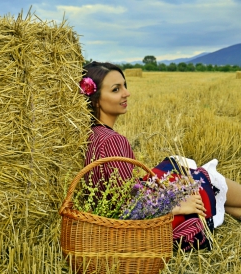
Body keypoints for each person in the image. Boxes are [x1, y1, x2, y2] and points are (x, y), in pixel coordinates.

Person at [80, 61, 241, 249]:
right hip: (142, 225)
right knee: (207, 179)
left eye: (125, 86)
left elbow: (118, 194)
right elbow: (126, 208)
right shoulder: (112, 141)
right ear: (96, 99)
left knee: (221, 200)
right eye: (116, 89)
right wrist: (177, 206)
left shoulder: (90, 134)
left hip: (118, 219)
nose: (126, 93)